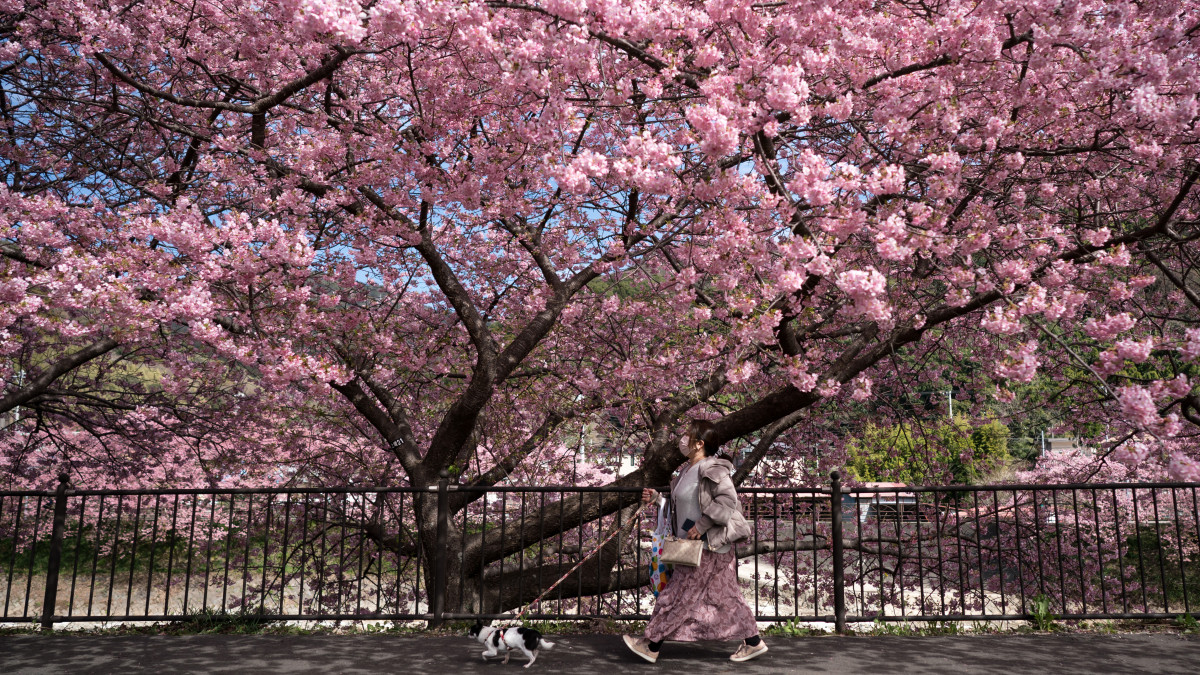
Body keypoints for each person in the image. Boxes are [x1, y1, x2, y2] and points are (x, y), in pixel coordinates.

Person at [623, 419, 767, 664]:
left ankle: (651, 644)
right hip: (695, 546)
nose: (683, 439)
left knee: (678, 593)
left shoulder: (713, 468)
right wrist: (658, 499)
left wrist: (701, 526)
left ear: (699, 443)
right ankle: (753, 642)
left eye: (688, 435)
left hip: (708, 546)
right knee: (726, 597)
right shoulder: (685, 472)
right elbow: (683, 507)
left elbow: (727, 502)